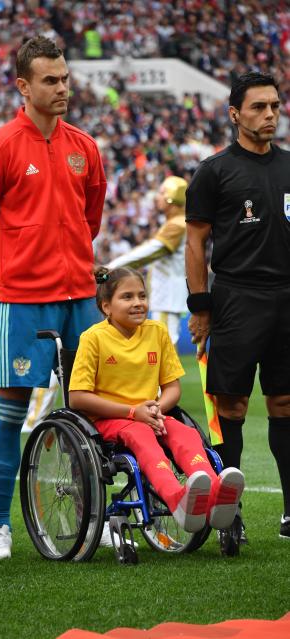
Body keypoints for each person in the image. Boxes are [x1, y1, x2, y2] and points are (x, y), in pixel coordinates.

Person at [0, 35, 106, 560]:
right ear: (23, 86)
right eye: (50, 80)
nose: (62, 87)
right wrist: (11, 273)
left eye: (65, 78)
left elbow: (91, 218)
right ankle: (1, 526)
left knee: (93, 410)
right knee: (9, 411)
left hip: (83, 300)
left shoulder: (84, 147)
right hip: (24, 302)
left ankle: (98, 518)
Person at [185, 71, 290, 542]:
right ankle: (231, 513)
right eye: (258, 108)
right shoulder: (214, 171)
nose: (269, 115)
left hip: (287, 300)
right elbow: (195, 243)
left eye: (274, 106)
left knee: (285, 403)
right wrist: (200, 307)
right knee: (232, 403)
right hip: (236, 298)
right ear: (235, 115)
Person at [68, 266, 244, 535]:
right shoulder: (92, 338)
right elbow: (77, 397)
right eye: (127, 297)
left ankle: (213, 495)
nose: (138, 303)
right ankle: (178, 500)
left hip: (151, 415)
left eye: (142, 296)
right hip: (108, 421)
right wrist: (132, 412)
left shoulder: (157, 332)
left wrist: (156, 409)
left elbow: (173, 388)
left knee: (185, 433)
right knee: (141, 434)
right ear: (106, 306)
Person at [108, 176, 188, 345]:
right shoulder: (176, 223)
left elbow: (149, 252)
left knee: (163, 350)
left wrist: (111, 267)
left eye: (161, 193)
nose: (156, 197)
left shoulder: (177, 225)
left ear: (171, 197)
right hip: (167, 296)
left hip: (168, 297)